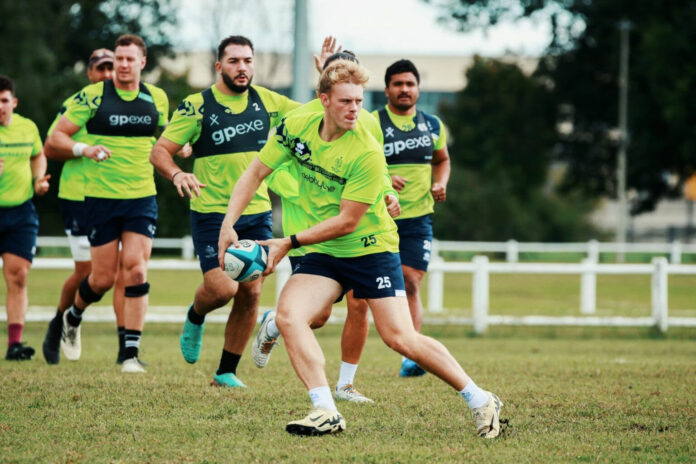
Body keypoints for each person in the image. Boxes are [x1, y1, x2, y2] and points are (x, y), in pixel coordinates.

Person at [218, 60, 502, 438]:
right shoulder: (296, 127)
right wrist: (227, 223)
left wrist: (288, 242)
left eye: (359, 101)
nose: (355, 109)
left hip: (370, 247)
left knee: (400, 338)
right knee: (289, 316)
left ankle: (480, 399)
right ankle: (324, 408)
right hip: (325, 250)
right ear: (323, 101)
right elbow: (255, 173)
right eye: (346, 101)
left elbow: (348, 221)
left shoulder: (366, 151)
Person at [149, 35, 300, 387]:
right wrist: (177, 172)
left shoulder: (270, 102)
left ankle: (225, 371)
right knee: (223, 289)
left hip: (257, 211)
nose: (242, 67)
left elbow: (317, 113)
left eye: (248, 60)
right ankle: (196, 313)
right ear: (219, 66)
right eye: (234, 61)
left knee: (250, 291)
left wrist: (328, 76)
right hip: (212, 212)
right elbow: (160, 151)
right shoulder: (196, 106)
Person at [257, 45, 401, 404]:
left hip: (354, 230)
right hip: (311, 229)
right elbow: (277, 164)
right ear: (325, 91)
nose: (352, 104)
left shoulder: (364, 121)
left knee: (359, 305)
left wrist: (386, 193)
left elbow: (374, 168)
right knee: (316, 317)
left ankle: (345, 385)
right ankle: (275, 322)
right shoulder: (304, 116)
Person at [46, 34, 169, 373]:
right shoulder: (93, 96)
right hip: (100, 199)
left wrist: (176, 148)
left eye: (130, 59)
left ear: (143, 62)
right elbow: (56, 137)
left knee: (136, 267)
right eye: (119, 59)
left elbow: (164, 139)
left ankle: (130, 354)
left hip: (142, 197)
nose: (123, 65)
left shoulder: (156, 98)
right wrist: (83, 149)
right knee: (101, 279)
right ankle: (74, 315)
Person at [40, 48, 131, 365]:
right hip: (79, 197)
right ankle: (59, 322)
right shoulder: (78, 103)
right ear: (90, 73)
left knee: (123, 272)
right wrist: (85, 150)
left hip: (119, 195)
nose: (107, 73)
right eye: (100, 68)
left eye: (111, 67)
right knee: (87, 272)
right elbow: (50, 145)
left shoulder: (129, 101)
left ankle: (125, 350)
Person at [374, 59, 451, 377]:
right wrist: (384, 177)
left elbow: (443, 160)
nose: (404, 89)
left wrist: (441, 182)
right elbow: (357, 163)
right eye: (398, 84)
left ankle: (412, 355)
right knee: (355, 294)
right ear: (387, 89)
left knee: (411, 282)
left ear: (418, 88)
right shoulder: (372, 123)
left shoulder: (433, 125)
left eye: (410, 84)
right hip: (378, 215)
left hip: (418, 217)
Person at [0, 75, 51, 360]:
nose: (0, 106)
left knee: (18, 277)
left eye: (4, 101)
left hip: (20, 212)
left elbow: (38, 154)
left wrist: (37, 180)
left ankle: (14, 345)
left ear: (14, 102)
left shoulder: (27, 127)